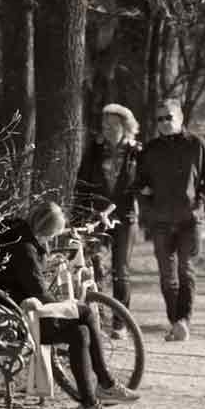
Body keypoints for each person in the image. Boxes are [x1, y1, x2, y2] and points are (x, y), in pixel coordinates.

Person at [0, 202, 139, 409]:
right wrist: (67, 306)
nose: (50, 240)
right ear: (43, 230)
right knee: (85, 314)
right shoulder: (25, 250)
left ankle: (89, 406)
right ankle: (105, 386)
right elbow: (39, 294)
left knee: (80, 332)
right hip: (18, 319)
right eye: (51, 235)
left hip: (14, 309)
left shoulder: (20, 235)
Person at [134, 98, 205, 342]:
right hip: (161, 221)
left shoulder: (198, 145)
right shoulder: (150, 150)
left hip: (189, 221)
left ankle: (184, 319)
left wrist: (199, 201)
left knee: (185, 270)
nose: (164, 123)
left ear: (180, 118)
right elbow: (138, 182)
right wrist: (147, 201)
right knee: (166, 275)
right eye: (160, 118)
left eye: (168, 117)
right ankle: (175, 321)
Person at [73, 103, 142, 338]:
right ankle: (97, 319)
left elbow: (139, 185)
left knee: (120, 271)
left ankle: (120, 323)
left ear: (126, 126)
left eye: (114, 125)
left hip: (125, 216)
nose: (108, 129)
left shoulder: (136, 151)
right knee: (96, 267)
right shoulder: (95, 150)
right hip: (97, 217)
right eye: (105, 125)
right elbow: (83, 182)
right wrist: (82, 212)